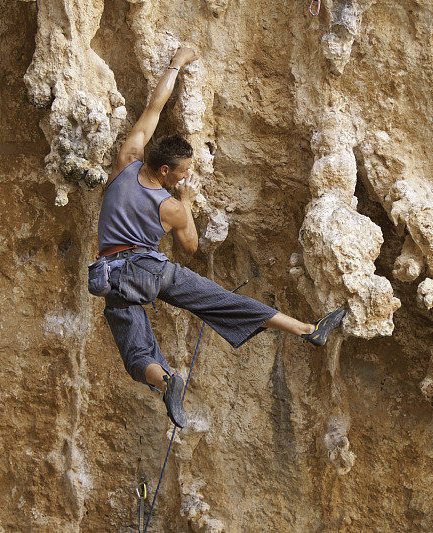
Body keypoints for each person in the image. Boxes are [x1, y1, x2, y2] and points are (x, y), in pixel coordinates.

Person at [96, 47, 345, 428]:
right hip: (150, 271)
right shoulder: (172, 205)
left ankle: (166, 382)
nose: (185, 177)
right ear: (165, 171)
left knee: (135, 345)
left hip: (113, 277)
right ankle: (308, 330)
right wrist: (186, 201)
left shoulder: (127, 160)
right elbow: (191, 248)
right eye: (182, 173)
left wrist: (175, 65)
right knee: (221, 302)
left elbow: (153, 109)